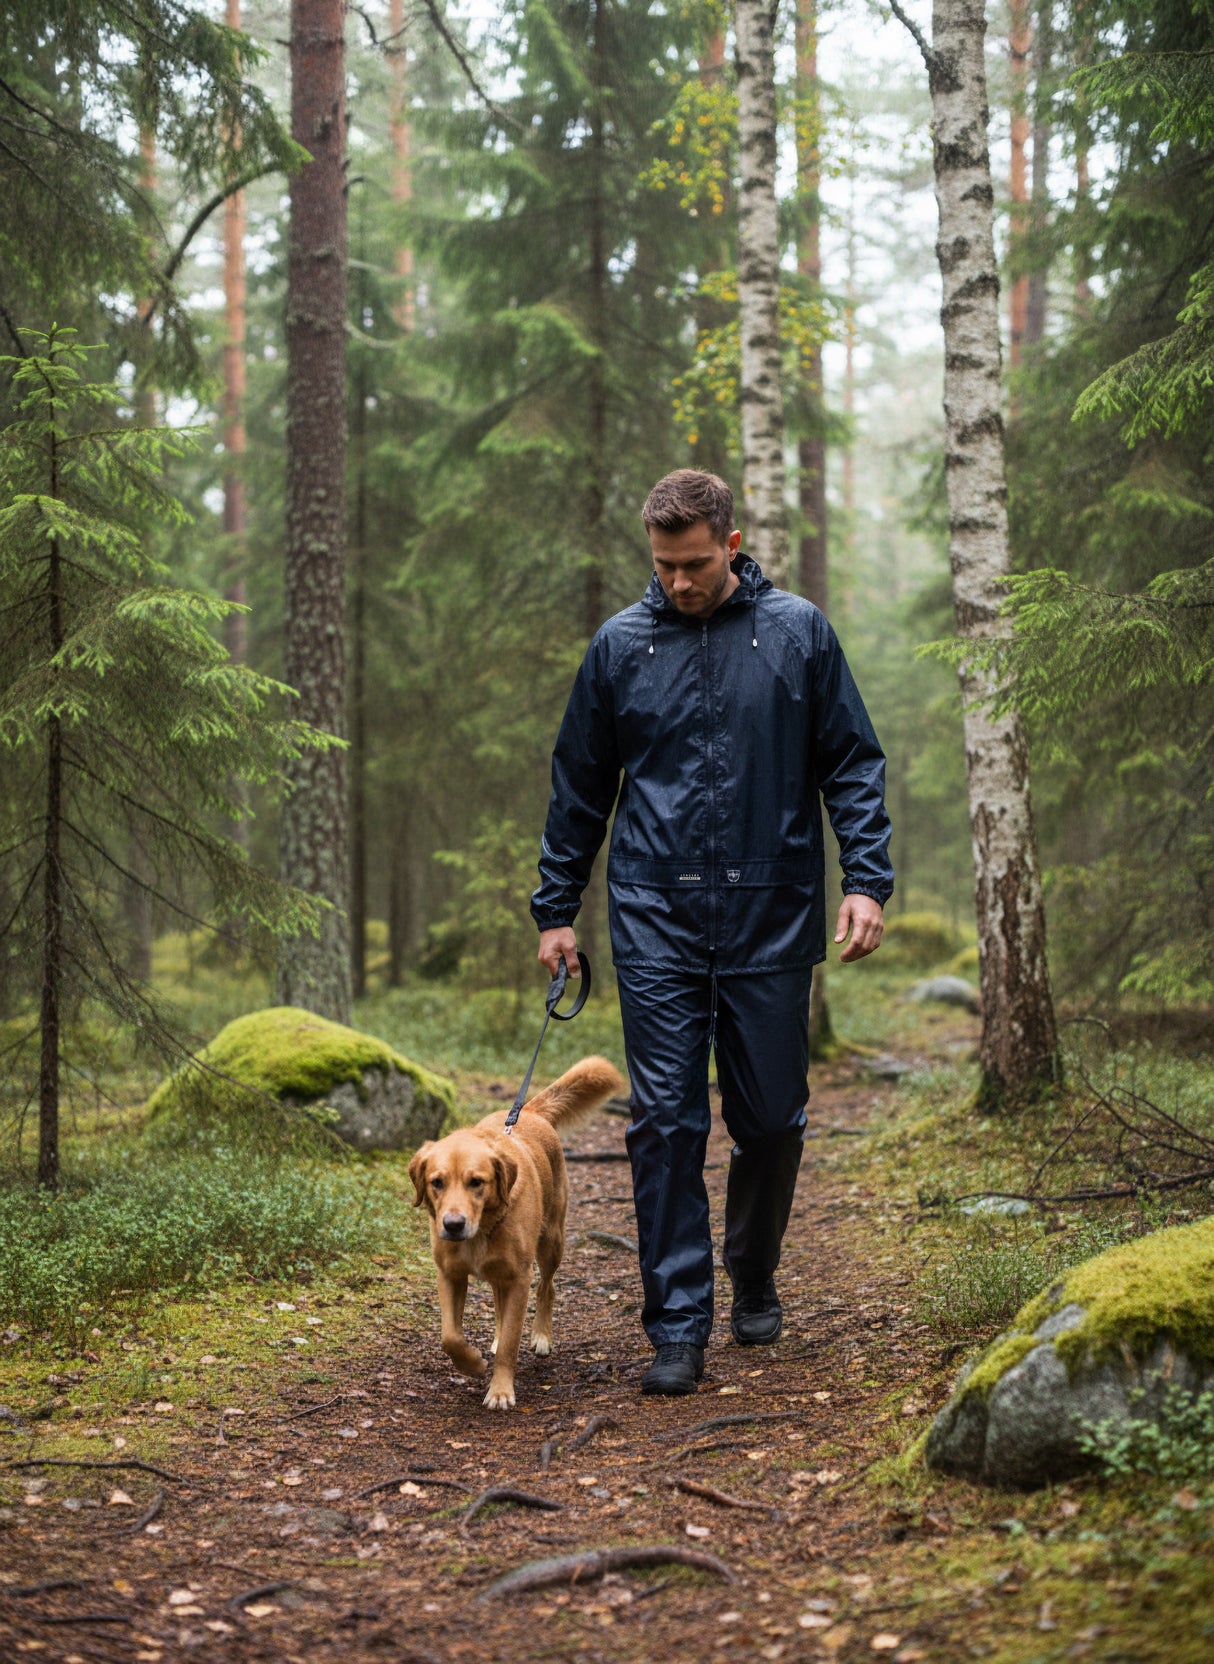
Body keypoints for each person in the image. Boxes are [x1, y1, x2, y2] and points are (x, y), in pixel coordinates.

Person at [531, 469, 893, 1396]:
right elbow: (580, 787)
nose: (679, 581)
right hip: (655, 916)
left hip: (773, 912)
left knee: (769, 1121)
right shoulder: (621, 646)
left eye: (694, 563)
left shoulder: (798, 634)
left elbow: (852, 762)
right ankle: (678, 1325)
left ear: (730, 546)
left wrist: (867, 881)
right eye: (664, 565)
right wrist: (556, 909)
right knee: (664, 1122)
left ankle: (754, 1269)